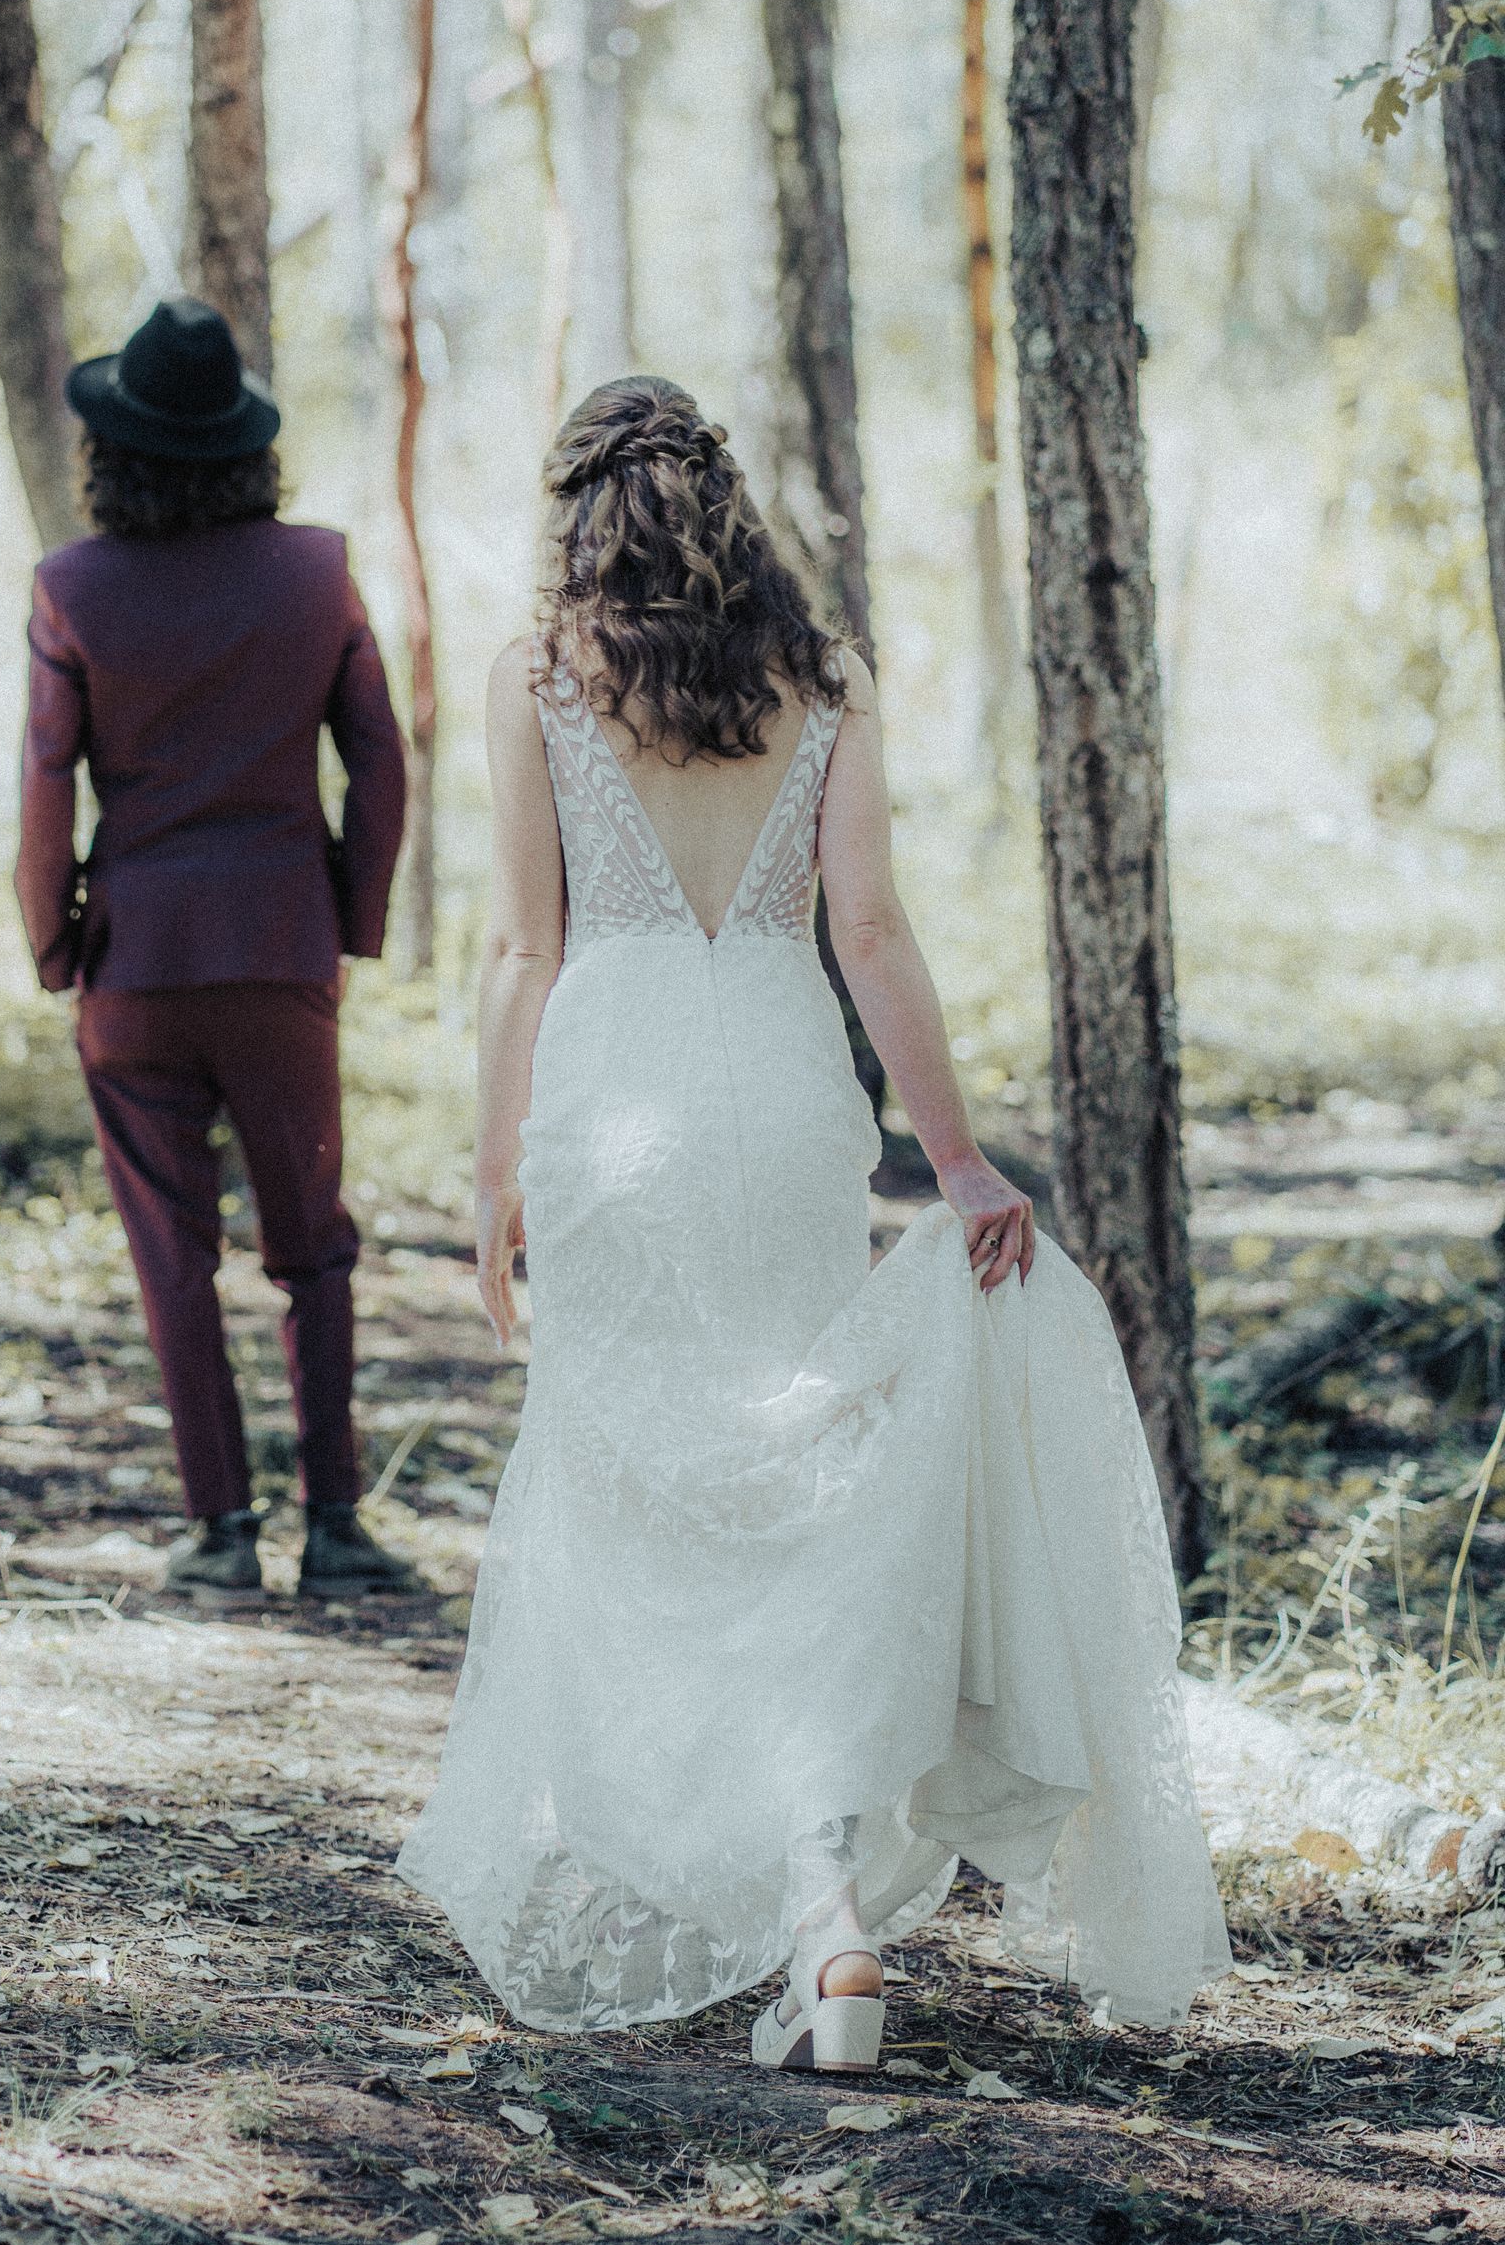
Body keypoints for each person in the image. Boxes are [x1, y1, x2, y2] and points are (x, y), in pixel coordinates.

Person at [398, 378, 1229, 2064]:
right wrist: (963, 1160)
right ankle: (819, 1906)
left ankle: (741, 1874)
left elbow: (521, 953)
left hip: (609, 1098)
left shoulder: (535, 680)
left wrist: (494, 1176)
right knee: (791, 1480)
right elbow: (871, 929)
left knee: (636, 1486)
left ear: (577, 520)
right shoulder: (823, 681)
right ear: (726, 511)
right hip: (785, 1101)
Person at [14, 295, 411, 1601]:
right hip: (280, 948)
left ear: (114, 451)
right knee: (316, 1244)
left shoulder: (70, 589)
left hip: (135, 965)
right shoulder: (317, 571)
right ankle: (340, 1527)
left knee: (171, 1253)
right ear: (246, 445)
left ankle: (222, 1531)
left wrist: (55, 938)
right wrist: (349, 915)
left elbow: (44, 783)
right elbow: (379, 757)